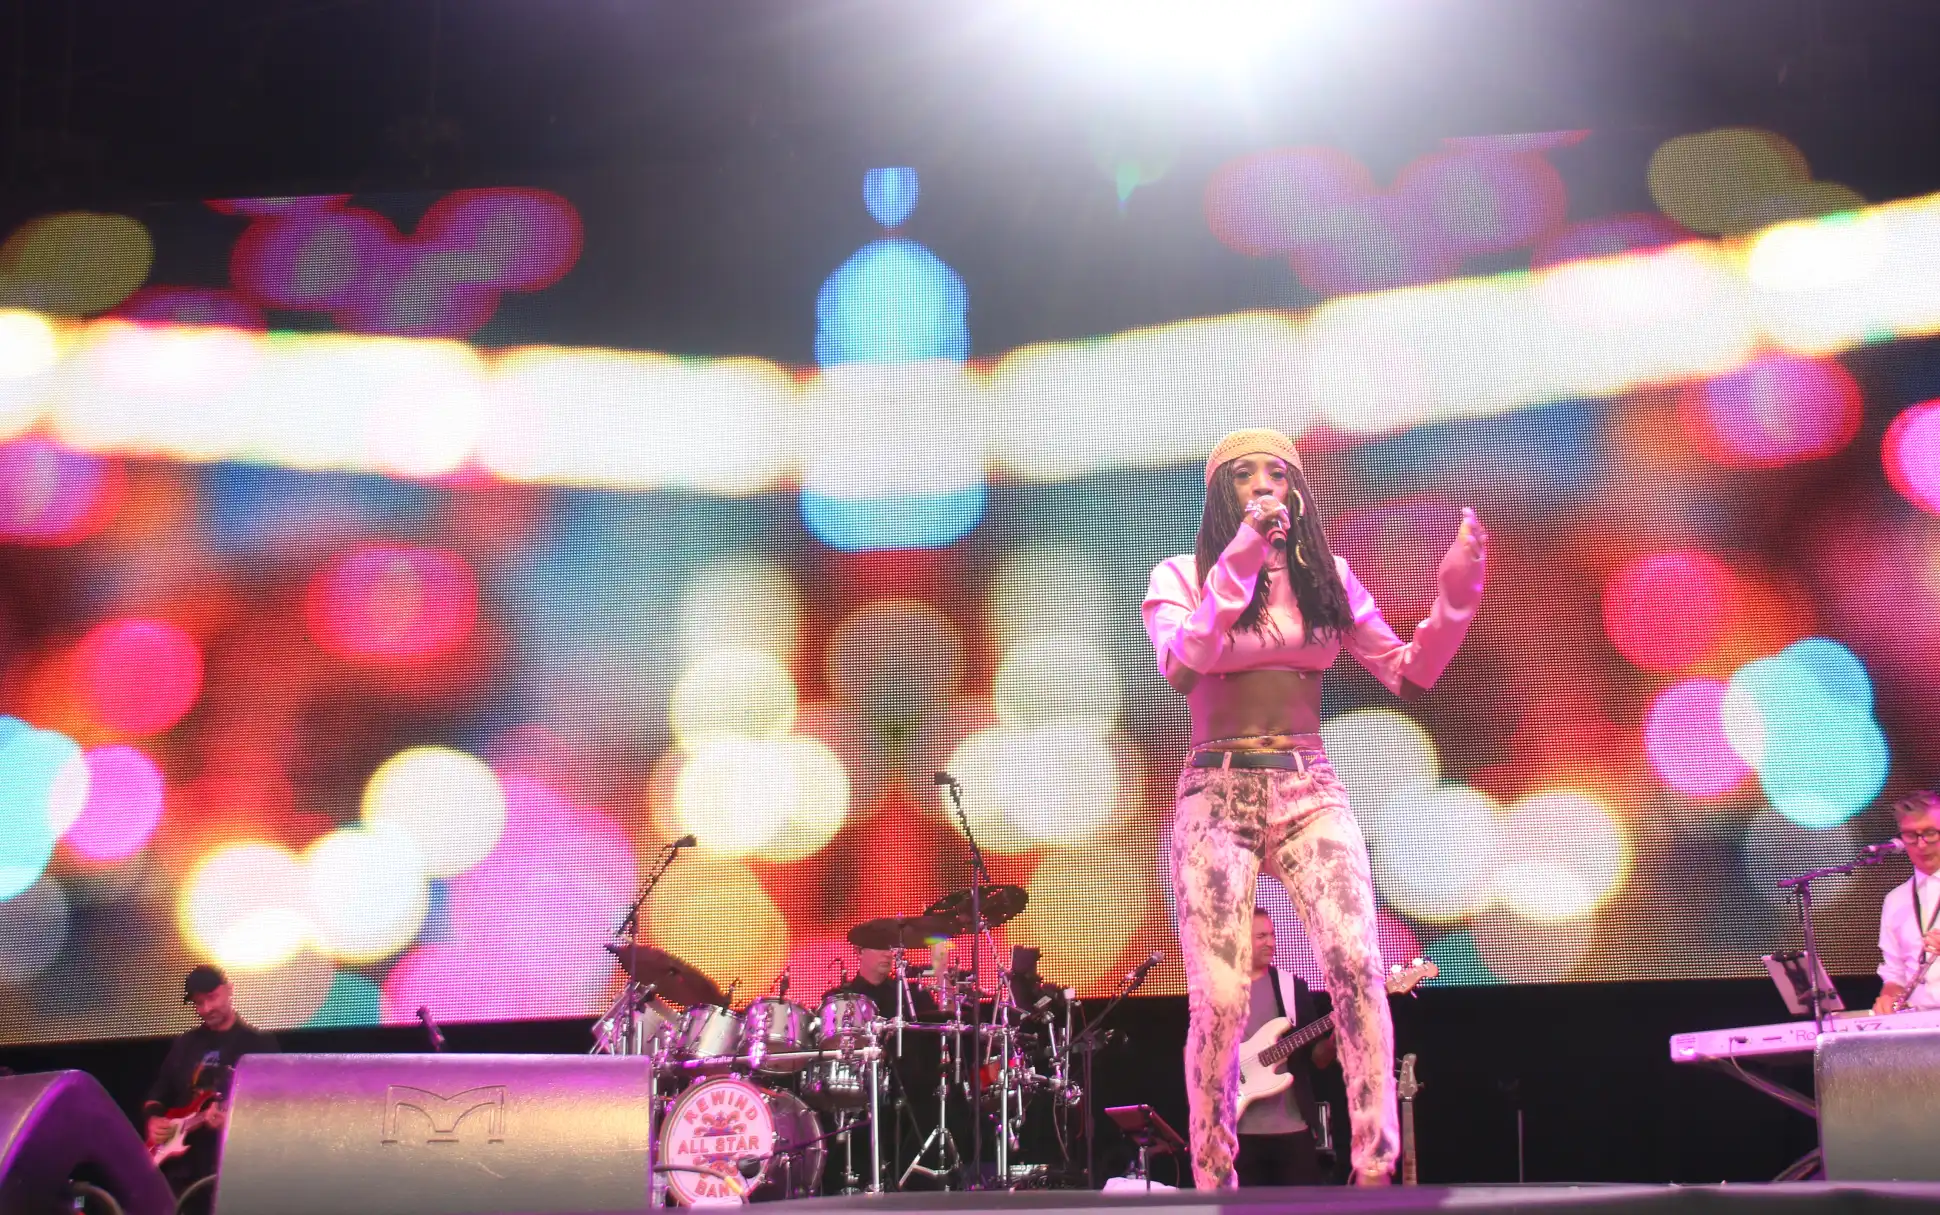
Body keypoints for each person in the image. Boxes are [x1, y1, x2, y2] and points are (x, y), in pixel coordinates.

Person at [1142, 428, 1486, 1189]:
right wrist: (1238, 559)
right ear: (1220, 495)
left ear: (1299, 493)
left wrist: (1454, 599)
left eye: (1278, 474)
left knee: (1358, 964)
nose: (1265, 486)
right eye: (1245, 476)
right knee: (1224, 996)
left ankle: (1374, 1169)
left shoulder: (1325, 576)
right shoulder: (1180, 575)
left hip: (1309, 782)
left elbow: (1408, 669)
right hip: (1215, 786)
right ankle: (1212, 1176)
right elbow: (1182, 663)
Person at [143, 965, 279, 1202]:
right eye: (198, 1003)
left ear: (229, 990)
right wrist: (154, 1119)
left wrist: (234, 1123)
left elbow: (274, 1106)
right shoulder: (186, 1044)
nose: (206, 1009)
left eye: (212, 998)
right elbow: (158, 1093)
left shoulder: (259, 1045)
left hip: (231, 1169)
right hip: (182, 1174)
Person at [1238, 907, 1339, 1187]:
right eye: (1260, 936)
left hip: (1293, 1129)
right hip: (1238, 1134)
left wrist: (1334, 1042)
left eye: (1272, 935)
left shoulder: (1291, 987)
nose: (1270, 942)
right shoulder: (1222, 990)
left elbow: (1317, 1059)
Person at [1871, 790, 1940, 1014]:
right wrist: (1889, 997)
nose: (1921, 845)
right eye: (1911, 835)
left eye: (1930, 833)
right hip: (1917, 1027)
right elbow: (1894, 974)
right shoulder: (1895, 900)